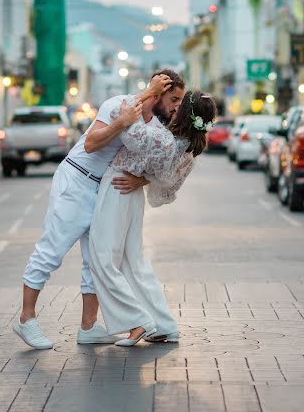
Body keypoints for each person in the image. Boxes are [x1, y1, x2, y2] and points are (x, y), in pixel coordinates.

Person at [13, 69, 186, 350]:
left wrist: (139, 180)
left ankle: (89, 326)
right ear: (158, 92)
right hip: (76, 178)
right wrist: (122, 122)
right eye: (174, 98)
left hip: (104, 190)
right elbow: (92, 144)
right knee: (52, 250)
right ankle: (26, 318)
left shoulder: (155, 126)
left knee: (94, 259)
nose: (177, 105)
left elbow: (155, 166)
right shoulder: (119, 104)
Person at [89, 91, 216, 346]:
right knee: (133, 261)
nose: (175, 106)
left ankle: (138, 322)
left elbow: (125, 125)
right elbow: (168, 180)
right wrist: (142, 180)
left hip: (118, 185)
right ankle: (163, 324)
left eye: (180, 103)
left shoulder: (164, 139)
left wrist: (147, 93)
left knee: (102, 258)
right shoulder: (186, 147)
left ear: (185, 114)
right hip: (131, 191)